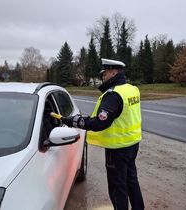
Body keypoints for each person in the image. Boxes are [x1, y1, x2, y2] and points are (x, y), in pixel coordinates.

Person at [55, 58, 144, 210]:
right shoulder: (132, 89)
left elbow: (99, 123)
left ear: (113, 72)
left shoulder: (113, 95)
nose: (103, 76)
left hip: (117, 148)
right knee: (131, 181)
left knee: (118, 187)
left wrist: (74, 121)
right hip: (133, 144)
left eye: (105, 73)